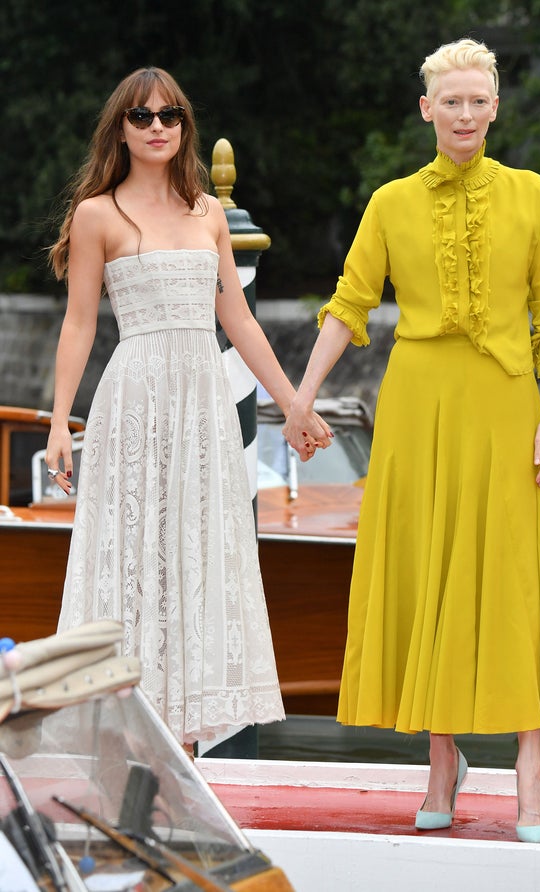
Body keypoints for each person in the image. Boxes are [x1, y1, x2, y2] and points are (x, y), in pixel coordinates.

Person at [282, 38, 540, 843]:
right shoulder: (389, 203)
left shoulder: (534, 195)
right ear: (427, 110)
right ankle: (442, 759)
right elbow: (349, 305)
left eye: (477, 101)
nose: (464, 113)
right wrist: (300, 398)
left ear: (494, 108)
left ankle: (530, 764)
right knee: (428, 571)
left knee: (512, 575)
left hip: (506, 405)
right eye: (449, 101)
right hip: (417, 408)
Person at [45, 66, 331, 748]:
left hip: (201, 402)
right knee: (134, 560)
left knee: (197, 556)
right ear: (120, 127)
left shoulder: (207, 212)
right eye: (141, 117)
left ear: (184, 126)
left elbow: (241, 322)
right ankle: (124, 741)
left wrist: (293, 404)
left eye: (168, 115)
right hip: (135, 399)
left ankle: (187, 749)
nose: (156, 127)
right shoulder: (97, 214)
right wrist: (59, 422)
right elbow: (80, 324)